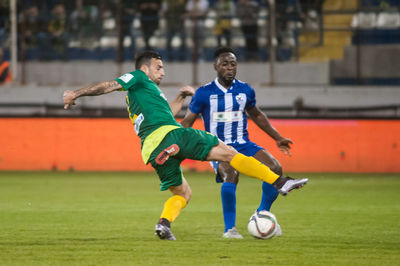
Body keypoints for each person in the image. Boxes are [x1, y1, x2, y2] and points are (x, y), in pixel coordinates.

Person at [63, 50, 308, 241]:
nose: (163, 72)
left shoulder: (144, 95)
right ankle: (279, 181)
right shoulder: (137, 77)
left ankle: (164, 224)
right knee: (228, 153)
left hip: (153, 149)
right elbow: (110, 85)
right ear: (144, 67)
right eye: (159, 67)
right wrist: (76, 93)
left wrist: (181, 97)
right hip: (171, 137)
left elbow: (168, 115)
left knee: (183, 193)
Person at [181, 47, 297, 238]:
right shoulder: (204, 94)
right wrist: (173, 142)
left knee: (275, 168)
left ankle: (262, 214)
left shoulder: (245, 90)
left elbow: (257, 115)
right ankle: (230, 229)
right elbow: (187, 122)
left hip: (244, 144)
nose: (229, 68)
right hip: (218, 147)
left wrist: (278, 137)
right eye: (225, 64)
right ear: (216, 66)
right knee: (231, 173)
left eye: (233, 64)